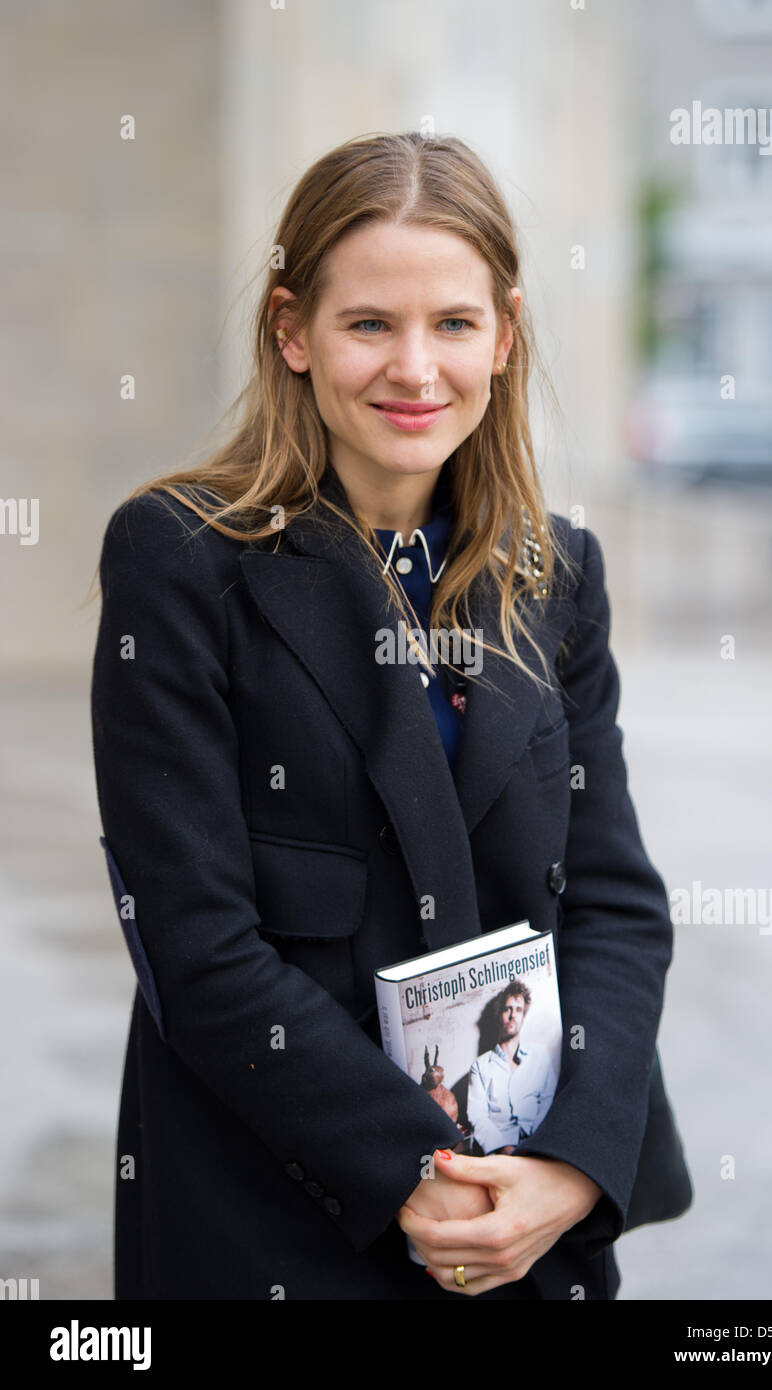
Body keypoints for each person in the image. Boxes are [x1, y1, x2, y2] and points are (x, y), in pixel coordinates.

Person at [90, 131, 692, 1302]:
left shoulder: (554, 573)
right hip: (276, 1217)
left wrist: (570, 1167)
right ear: (291, 332)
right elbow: (194, 943)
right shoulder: (178, 559)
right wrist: (415, 1172)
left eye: (454, 325)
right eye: (370, 323)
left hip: (522, 1224)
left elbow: (615, 901)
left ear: (504, 336)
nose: (415, 368)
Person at [466, 981, 559, 1156]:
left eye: (518, 1010)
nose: (512, 1015)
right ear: (499, 1014)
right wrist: (503, 1148)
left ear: (523, 1016)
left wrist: (536, 1142)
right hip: (499, 1153)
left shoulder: (540, 1056)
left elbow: (549, 1101)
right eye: (507, 1009)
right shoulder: (480, 1066)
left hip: (538, 1145)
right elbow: (477, 1116)